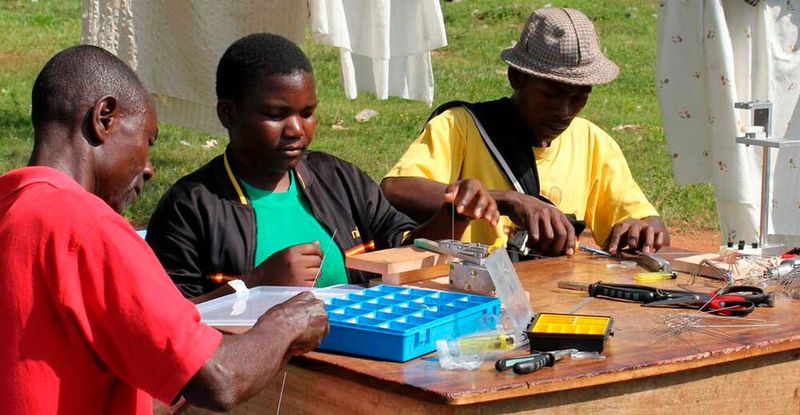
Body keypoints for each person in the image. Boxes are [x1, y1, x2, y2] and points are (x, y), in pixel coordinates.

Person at [0, 45, 329, 414]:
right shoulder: (89, 228)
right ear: (104, 118)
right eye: (147, 141)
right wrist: (287, 323)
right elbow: (219, 379)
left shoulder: (11, 207)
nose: (149, 168)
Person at [146, 33, 498, 300]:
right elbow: (173, 323)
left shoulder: (339, 180)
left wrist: (452, 217)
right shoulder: (191, 208)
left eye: (307, 113)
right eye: (275, 115)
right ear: (228, 113)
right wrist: (253, 285)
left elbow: (405, 250)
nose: (296, 130)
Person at [381, 7, 670, 257]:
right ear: (516, 77)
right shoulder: (461, 126)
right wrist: (506, 200)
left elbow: (652, 226)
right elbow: (396, 190)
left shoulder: (592, 142)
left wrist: (644, 230)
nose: (565, 111)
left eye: (579, 96)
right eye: (552, 93)